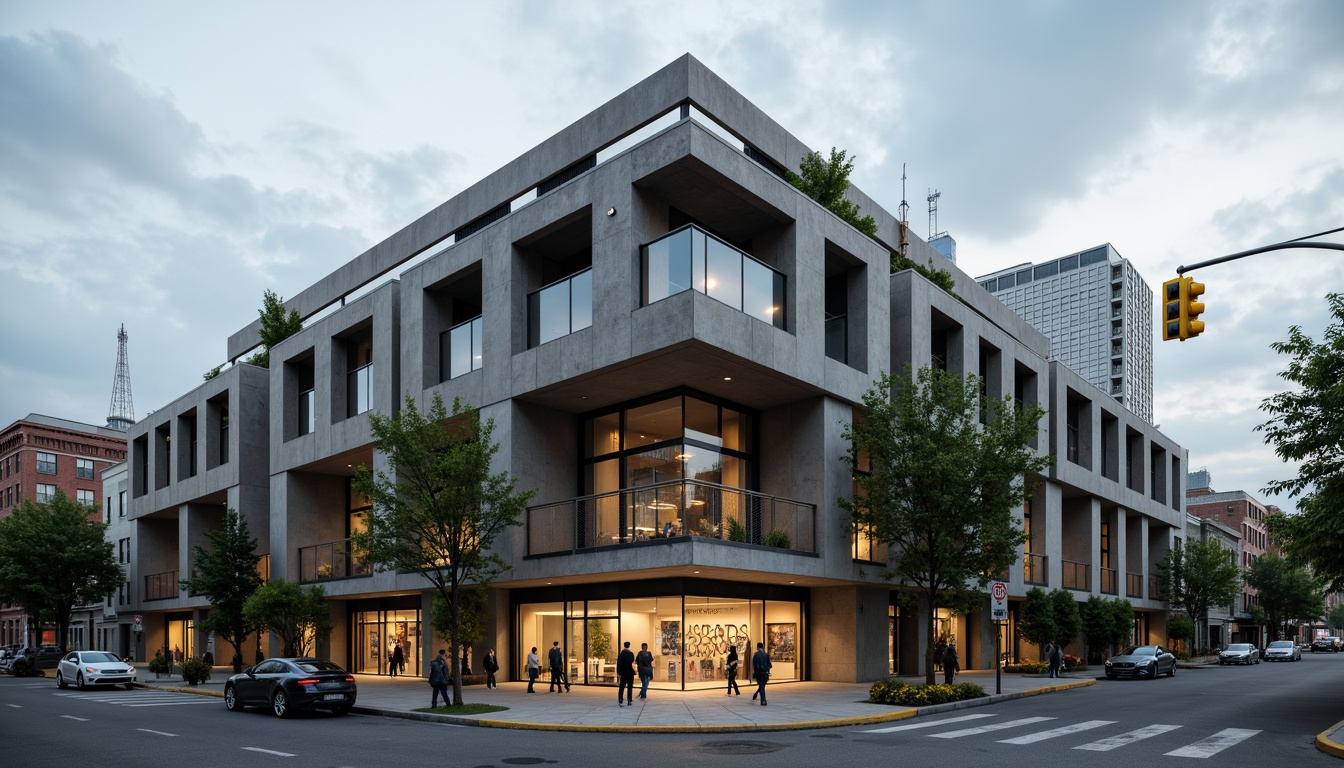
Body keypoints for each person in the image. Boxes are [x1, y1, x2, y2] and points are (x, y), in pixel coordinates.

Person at [751, 642, 772, 706]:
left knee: (761, 686)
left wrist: (755, 671)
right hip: (765, 672)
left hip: (759, 672)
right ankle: (756, 695)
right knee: (762, 685)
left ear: (757, 647)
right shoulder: (766, 654)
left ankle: (763, 700)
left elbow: (754, 665)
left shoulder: (756, 655)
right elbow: (770, 664)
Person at [616, 641, 636, 706]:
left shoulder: (621, 654)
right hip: (630, 671)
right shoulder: (631, 654)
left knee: (622, 686)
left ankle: (620, 699)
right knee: (630, 686)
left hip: (623, 672)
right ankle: (629, 699)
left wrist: (619, 672)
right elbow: (632, 660)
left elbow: (619, 664)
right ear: (629, 646)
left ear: (624, 645)